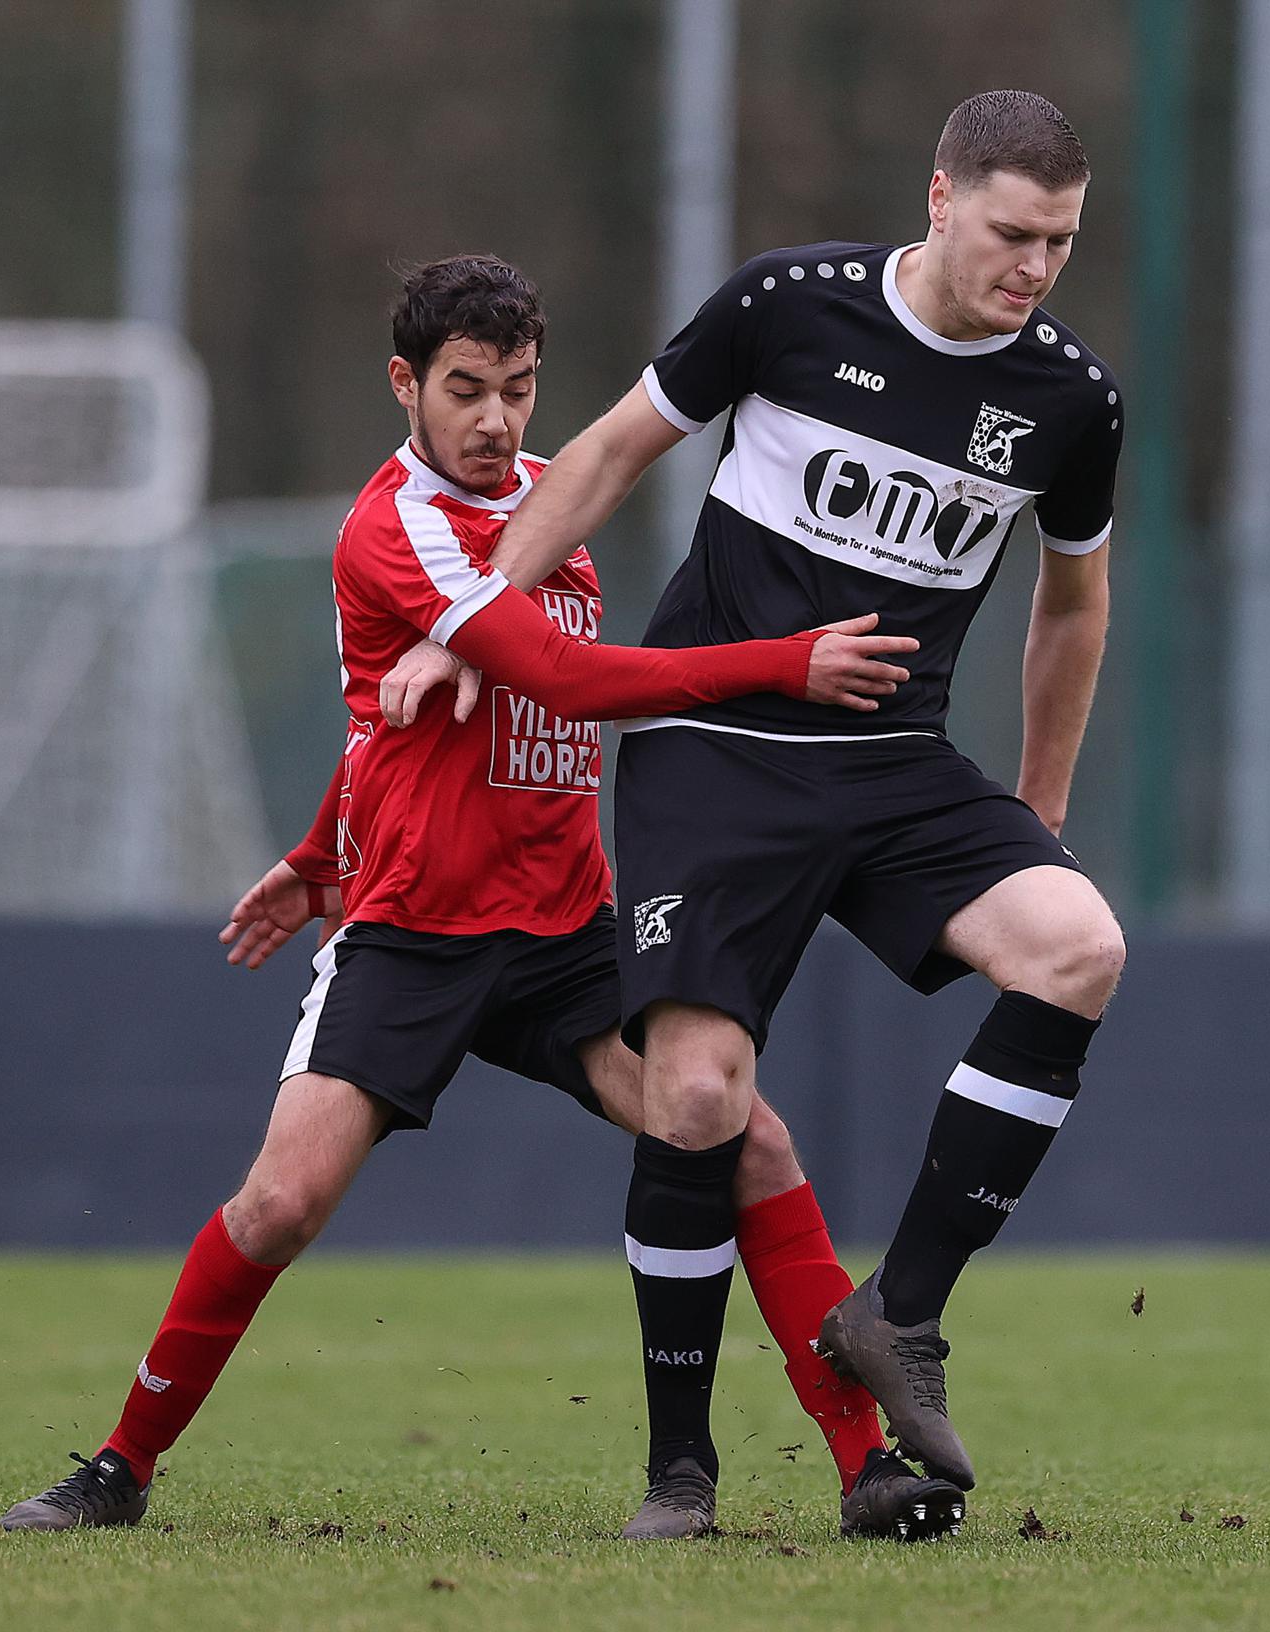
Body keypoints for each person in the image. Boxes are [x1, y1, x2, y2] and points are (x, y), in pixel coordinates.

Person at [0, 254, 967, 1543]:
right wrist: (786, 664)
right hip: (413, 938)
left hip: (565, 931)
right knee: (280, 1204)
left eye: (517, 388)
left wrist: (311, 848)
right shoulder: (391, 525)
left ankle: (865, 1468)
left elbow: (417, 725)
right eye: (467, 389)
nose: (498, 419)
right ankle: (119, 1467)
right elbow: (560, 682)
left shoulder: (545, 511)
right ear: (404, 385)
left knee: (744, 1136)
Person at [387, 91, 1127, 1536]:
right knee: (701, 1098)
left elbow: (1072, 603)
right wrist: (472, 619)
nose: (1032, 268)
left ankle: (896, 1319)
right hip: (714, 750)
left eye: (1059, 242)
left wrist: (1038, 809)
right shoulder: (790, 306)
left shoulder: (1069, 399)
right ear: (937, 198)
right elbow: (601, 455)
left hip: (897, 762)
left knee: (1077, 946)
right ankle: (679, 1470)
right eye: (1009, 233)